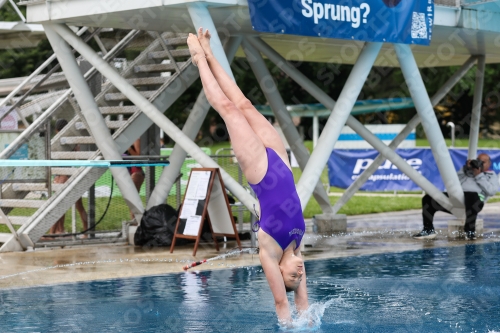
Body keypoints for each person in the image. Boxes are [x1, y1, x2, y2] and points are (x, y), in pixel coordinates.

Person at [187, 28, 308, 324]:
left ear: (280, 273)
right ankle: (211, 53)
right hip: (280, 160)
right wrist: (306, 319)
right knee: (246, 105)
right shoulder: (297, 245)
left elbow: (283, 304)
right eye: (300, 274)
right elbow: (302, 302)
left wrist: (289, 322)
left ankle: (199, 60)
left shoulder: (269, 251)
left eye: (294, 274)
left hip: (261, 171)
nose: (300, 271)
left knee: (229, 110)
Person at [413, 153, 498, 240]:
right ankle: (428, 230)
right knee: (429, 198)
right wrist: (465, 168)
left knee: (472, 195)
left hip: (475, 201)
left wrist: (478, 175)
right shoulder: (467, 172)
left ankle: (469, 231)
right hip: (457, 199)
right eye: (478, 161)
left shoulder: (491, 176)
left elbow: (491, 191)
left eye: (483, 162)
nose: (480, 164)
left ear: (489, 164)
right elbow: (453, 181)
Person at [49, 119, 89, 237]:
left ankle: (56, 232)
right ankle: (84, 231)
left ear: (57, 130)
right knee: (78, 206)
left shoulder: (61, 141)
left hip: (65, 174)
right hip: (68, 173)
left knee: (59, 205)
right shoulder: (71, 140)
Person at [124, 138, 145, 220]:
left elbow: (138, 156)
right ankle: (135, 220)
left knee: (133, 199)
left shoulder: (136, 139)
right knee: (131, 200)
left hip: (136, 171)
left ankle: (136, 220)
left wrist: (128, 148)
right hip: (127, 172)